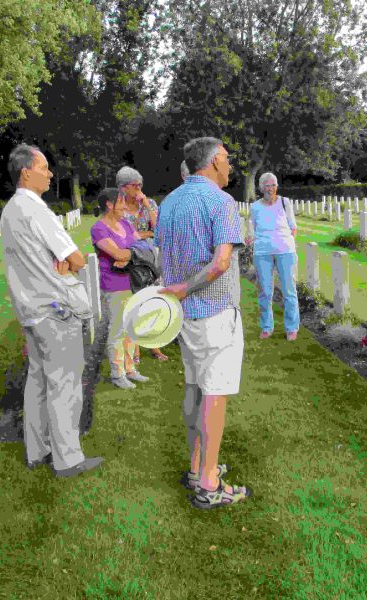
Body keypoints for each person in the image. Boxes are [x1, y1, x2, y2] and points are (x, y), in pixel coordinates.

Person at [157, 136, 251, 509]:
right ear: (212, 162)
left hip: (184, 320)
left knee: (194, 388)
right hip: (213, 310)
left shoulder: (170, 201)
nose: (230, 166)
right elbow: (220, 264)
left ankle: (198, 465)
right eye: (226, 159)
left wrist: (176, 291)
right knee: (215, 395)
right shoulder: (221, 201)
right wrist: (184, 288)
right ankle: (209, 482)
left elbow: (166, 253)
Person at [1, 143, 103, 477]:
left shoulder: (10, 210)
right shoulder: (35, 208)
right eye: (44, 167)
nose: (50, 173)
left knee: (39, 381)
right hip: (56, 308)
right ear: (26, 172)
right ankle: (68, 458)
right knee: (65, 384)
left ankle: (38, 450)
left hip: (31, 308)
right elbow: (74, 259)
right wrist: (64, 264)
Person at [91, 186, 150, 389]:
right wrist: (128, 253)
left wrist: (129, 254)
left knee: (131, 328)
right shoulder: (99, 229)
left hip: (133, 282)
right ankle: (118, 374)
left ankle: (131, 369)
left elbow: (141, 247)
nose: (125, 206)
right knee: (117, 330)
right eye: (121, 202)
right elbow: (117, 254)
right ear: (109, 204)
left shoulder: (125, 223)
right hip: (114, 285)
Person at [115, 166, 169, 362]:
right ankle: (135, 352)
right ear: (122, 187)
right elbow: (124, 237)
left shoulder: (150, 204)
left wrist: (146, 204)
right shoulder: (118, 208)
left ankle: (155, 347)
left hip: (151, 262)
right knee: (134, 306)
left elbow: (159, 230)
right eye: (134, 186)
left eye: (140, 185)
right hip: (131, 263)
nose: (138, 189)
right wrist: (145, 234)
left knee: (153, 303)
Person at [247, 172, 299, 340]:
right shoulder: (255, 207)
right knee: (265, 291)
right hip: (262, 252)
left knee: (289, 291)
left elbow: (293, 227)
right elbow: (253, 229)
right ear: (261, 188)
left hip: (285, 251)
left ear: (277, 186)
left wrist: (285, 242)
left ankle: (292, 328)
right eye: (267, 186)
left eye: (273, 185)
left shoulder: (285, 202)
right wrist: (251, 239)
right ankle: (266, 327)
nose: (270, 189)